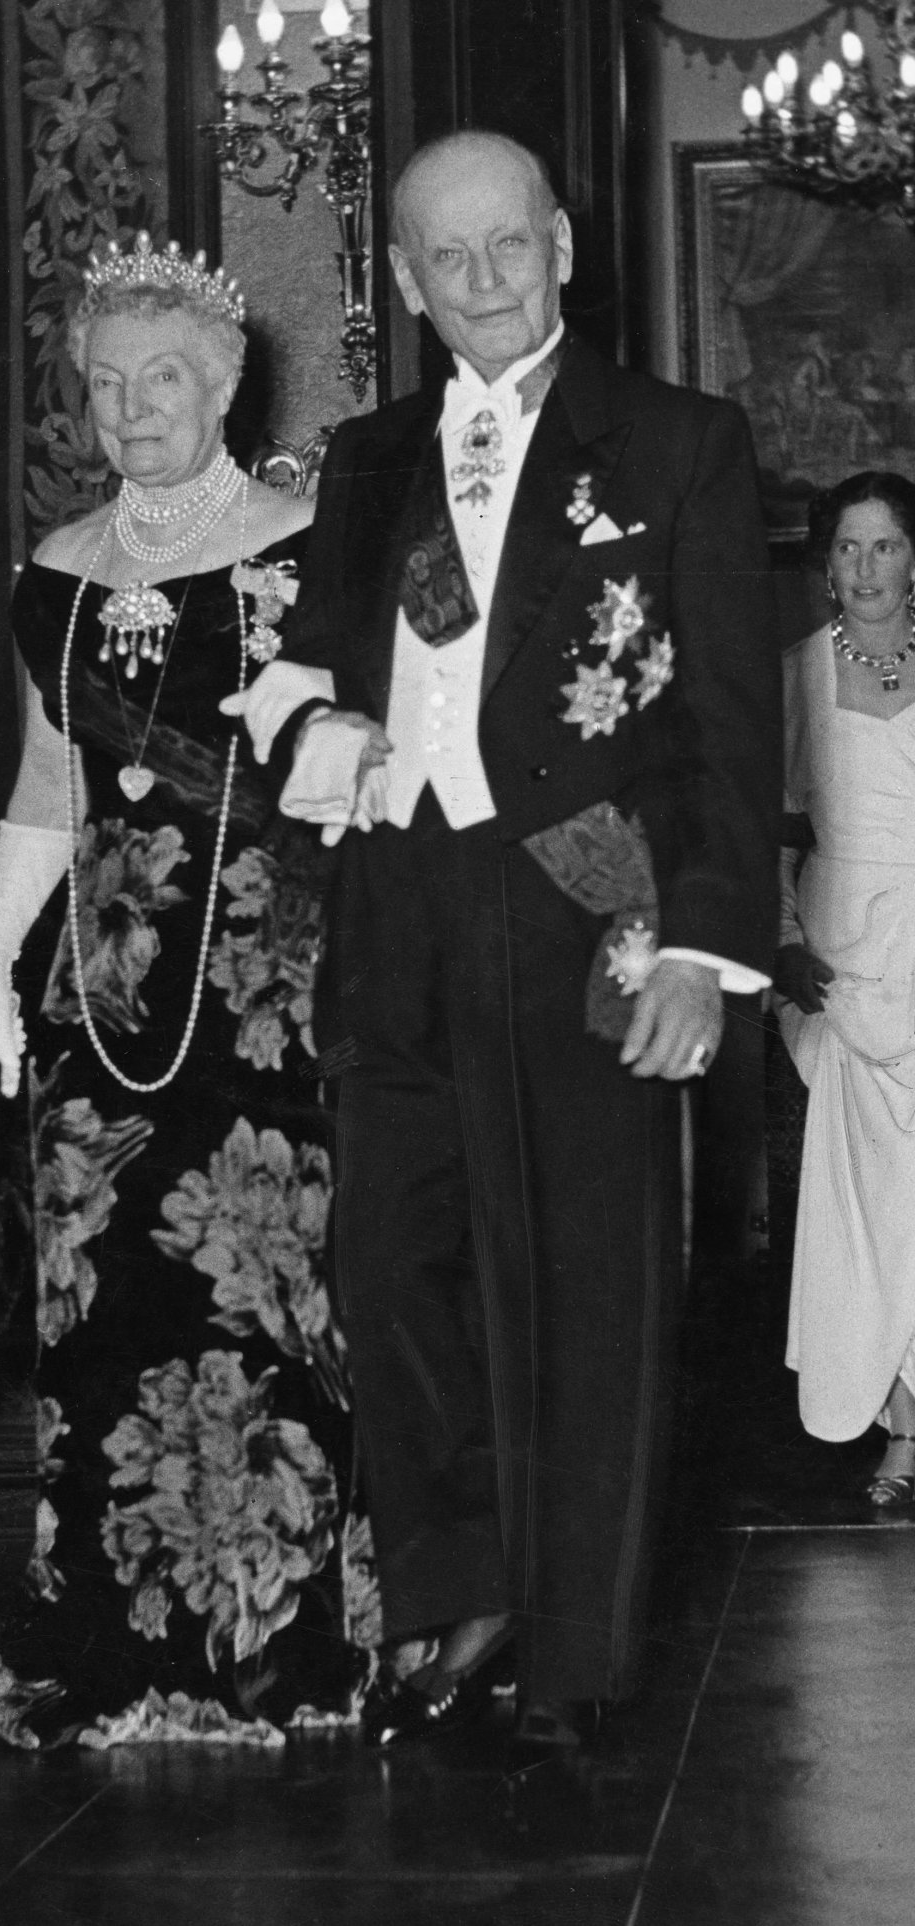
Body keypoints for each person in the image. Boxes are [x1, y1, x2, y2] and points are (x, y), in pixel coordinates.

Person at [226, 131, 780, 1748]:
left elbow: (735, 734)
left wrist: (701, 947)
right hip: (398, 909)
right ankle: (456, 1589)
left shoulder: (677, 443)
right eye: (445, 259)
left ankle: (577, 1653)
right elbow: (323, 660)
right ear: (401, 280)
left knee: (592, 1285)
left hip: (588, 899)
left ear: (561, 244)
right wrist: (314, 722)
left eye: (507, 249)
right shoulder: (370, 458)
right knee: (390, 1265)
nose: (481, 282)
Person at [0, 233, 376, 1749]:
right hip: (104, 1003)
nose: (135, 408)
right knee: (109, 1316)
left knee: (267, 1312)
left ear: (227, 384)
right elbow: (47, 790)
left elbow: (375, 762)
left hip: (267, 987)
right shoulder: (53, 578)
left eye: (167, 378)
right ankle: (117, 1656)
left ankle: (281, 1650)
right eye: (109, 382)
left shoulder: (316, 542)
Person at [775, 471, 915, 1504]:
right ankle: (900, 1428)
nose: (864, 568)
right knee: (868, 1208)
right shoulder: (797, 675)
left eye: (885, 547)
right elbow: (770, 834)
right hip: (845, 967)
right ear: (826, 563)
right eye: (848, 549)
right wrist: (786, 944)